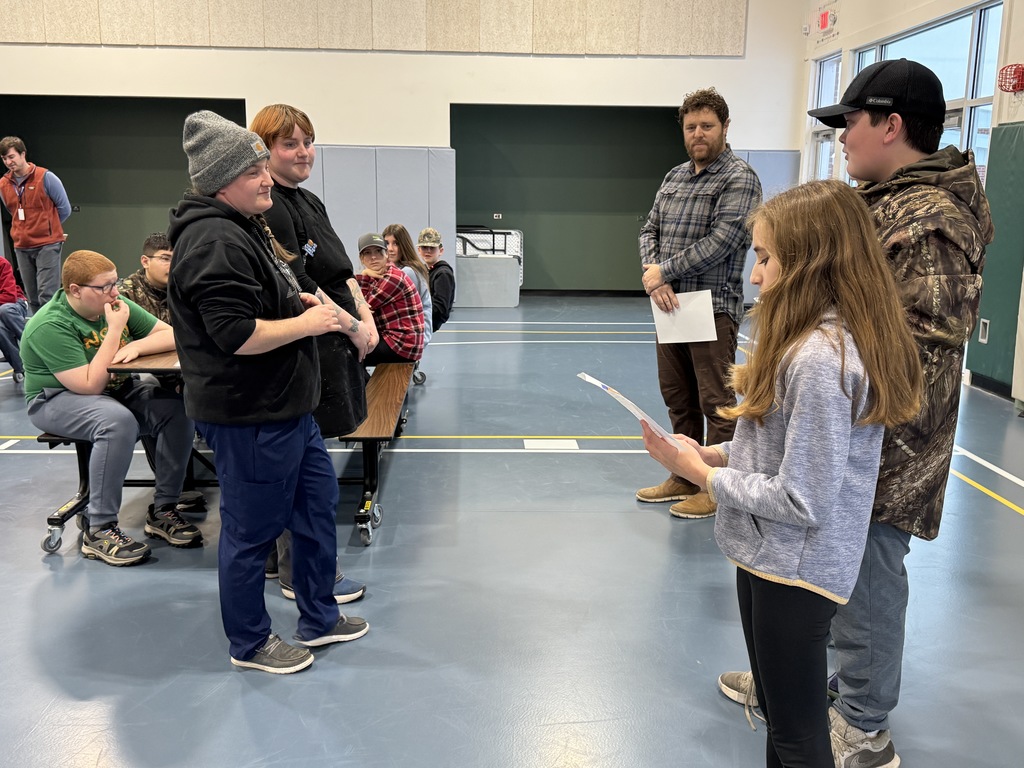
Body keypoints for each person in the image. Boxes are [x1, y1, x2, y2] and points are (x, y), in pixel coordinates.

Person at [717, 59, 993, 768]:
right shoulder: (884, 201)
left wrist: (819, 388)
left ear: (890, 125)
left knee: (868, 574)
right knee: (826, 577)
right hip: (843, 432)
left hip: (888, 449)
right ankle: (803, 682)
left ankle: (864, 724)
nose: (841, 139)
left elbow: (917, 347)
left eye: (849, 124)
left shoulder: (929, 219)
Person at [643, 179, 923, 768]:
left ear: (809, 264)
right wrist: (713, 455)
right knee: (780, 718)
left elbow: (802, 498)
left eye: (766, 258)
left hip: (796, 573)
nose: (754, 274)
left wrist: (704, 477)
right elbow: (781, 455)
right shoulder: (804, 342)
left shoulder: (820, 359)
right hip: (770, 559)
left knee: (797, 738)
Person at [168, 110, 368, 674]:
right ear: (221, 179)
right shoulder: (213, 240)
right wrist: (310, 325)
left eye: (263, 163)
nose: (266, 177)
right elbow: (234, 336)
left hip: (289, 408)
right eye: (254, 167)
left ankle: (319, 617)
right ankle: (250, 644)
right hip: (249, 413)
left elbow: (269, 295)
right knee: (251, 534)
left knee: (314, 510)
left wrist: (300, 303)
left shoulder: (245, 224)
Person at [250, 102, 374, 603]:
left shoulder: (310, 202)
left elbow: (342, 271)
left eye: (307, 141)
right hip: (310, 346)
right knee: (300, 470)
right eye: (289, 143)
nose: (303, 152)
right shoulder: (270, 207)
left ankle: (285, 564)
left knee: (306, 463)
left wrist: (364, 319)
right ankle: (296, 573)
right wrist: (351, 327)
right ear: (264, 150)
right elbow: (299, 284)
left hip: (339, 341)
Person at [19, 249, 202, 566]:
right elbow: (89, 385)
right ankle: (100, 528)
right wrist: (116, 331)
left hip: (116, 390)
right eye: (104, 287)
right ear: (75, 290)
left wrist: (136, 344)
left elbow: (172, 335)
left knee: (177, 409)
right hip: (56, 399)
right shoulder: (49, 324)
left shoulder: (114, 304)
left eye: (114, 283)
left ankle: (163, 509)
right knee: (117, 422)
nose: (115, 292)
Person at [636, 88, 762, 519]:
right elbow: (648, 230)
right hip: (669, 306)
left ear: (725, 128)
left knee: (718, 402)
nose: (698, 134)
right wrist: (655, 280)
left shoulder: (739, 178)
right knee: (678, 397)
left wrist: (664, 272)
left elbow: (725, 240)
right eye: (691, 127)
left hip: (713, 308)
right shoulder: (673, 178)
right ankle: (684, 474)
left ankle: (716, 486)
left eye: (707, 126)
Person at [0, 136, 72, 313]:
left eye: (11, 156)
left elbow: (65, 208)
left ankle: (51, 331)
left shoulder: (45, 177)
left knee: (47, 294)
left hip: (47, 244)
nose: (9, 162)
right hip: (22, 245)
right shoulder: (3, 184)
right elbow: (13, 212)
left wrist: (48, 227)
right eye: (4, 159)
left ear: (22, 154)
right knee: (31, 296)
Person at [356, 232, 425, 366]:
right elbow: (362, 302)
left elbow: (361, 307)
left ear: (386, 254)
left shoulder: (393, 278)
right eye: (367, 253)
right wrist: (366, 275)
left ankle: (363, 386)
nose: (374, 257)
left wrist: (363, 274)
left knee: (350, 353)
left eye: (378, 251)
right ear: (361, 258)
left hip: (402, 344)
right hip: (396, 340)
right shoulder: (378, 276)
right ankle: (366, 385)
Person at [383, 223, 432, 346]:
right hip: (410, 331)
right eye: (386, 244)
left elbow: (382, 301)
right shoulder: (396, 269)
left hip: (413, 336)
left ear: (404, 245)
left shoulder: (407, 272)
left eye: (396, 243)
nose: (390, 249)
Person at [116, 233, 174, 323]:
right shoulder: (125, 294)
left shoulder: (184, 290)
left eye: (177, 259)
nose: (173, 265)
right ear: (145, 262)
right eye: (165, 259)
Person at [417, 227, 455, 332]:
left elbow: (440, 308)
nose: (428, 251)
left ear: (441, 251)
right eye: (424, 247)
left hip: (427, 321)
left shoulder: (443, 274)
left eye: (432, 248)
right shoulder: (426, 270)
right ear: (419, 250)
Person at [1, 256, 28, 384]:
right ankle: (21, 367)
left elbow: (9, 296)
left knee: (5, 311)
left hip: (15, 304)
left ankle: (34, 344)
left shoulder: (2, 263)